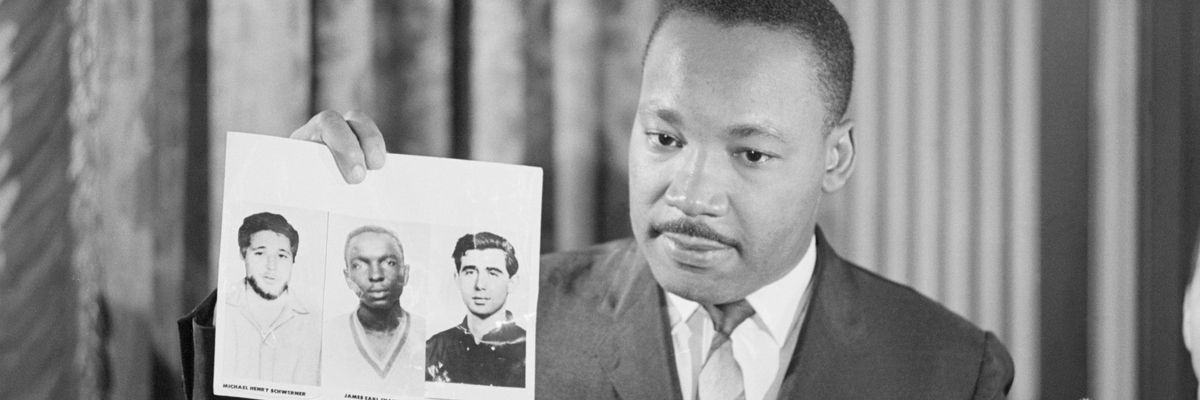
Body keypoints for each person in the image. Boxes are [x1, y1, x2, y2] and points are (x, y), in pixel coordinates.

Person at [183, 0, 1016, 398]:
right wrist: (297, 228)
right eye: (665, 138)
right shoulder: (504, 324)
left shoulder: (950, 371)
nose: (690, 192)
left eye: (751, 153)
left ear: (836, 158)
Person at [219, 212, 320, 385]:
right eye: (260, 253)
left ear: (293, 260)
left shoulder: (311, 321)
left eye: (282, 256)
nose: (272, 266)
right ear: (243, 254)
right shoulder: (223, 309)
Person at [320, 226, 423, 395]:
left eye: (389, 263)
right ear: (348, 278)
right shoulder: (325, 336)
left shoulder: (427, 335)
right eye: (359, 265)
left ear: (405, 273)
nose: (375, 275)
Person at [426, 232, 526, 387]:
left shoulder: (527, 348)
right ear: (457, 279)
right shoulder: (434, 348)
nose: (480, 285)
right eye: (470, 272)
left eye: (493, 273)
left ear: (512, 283)